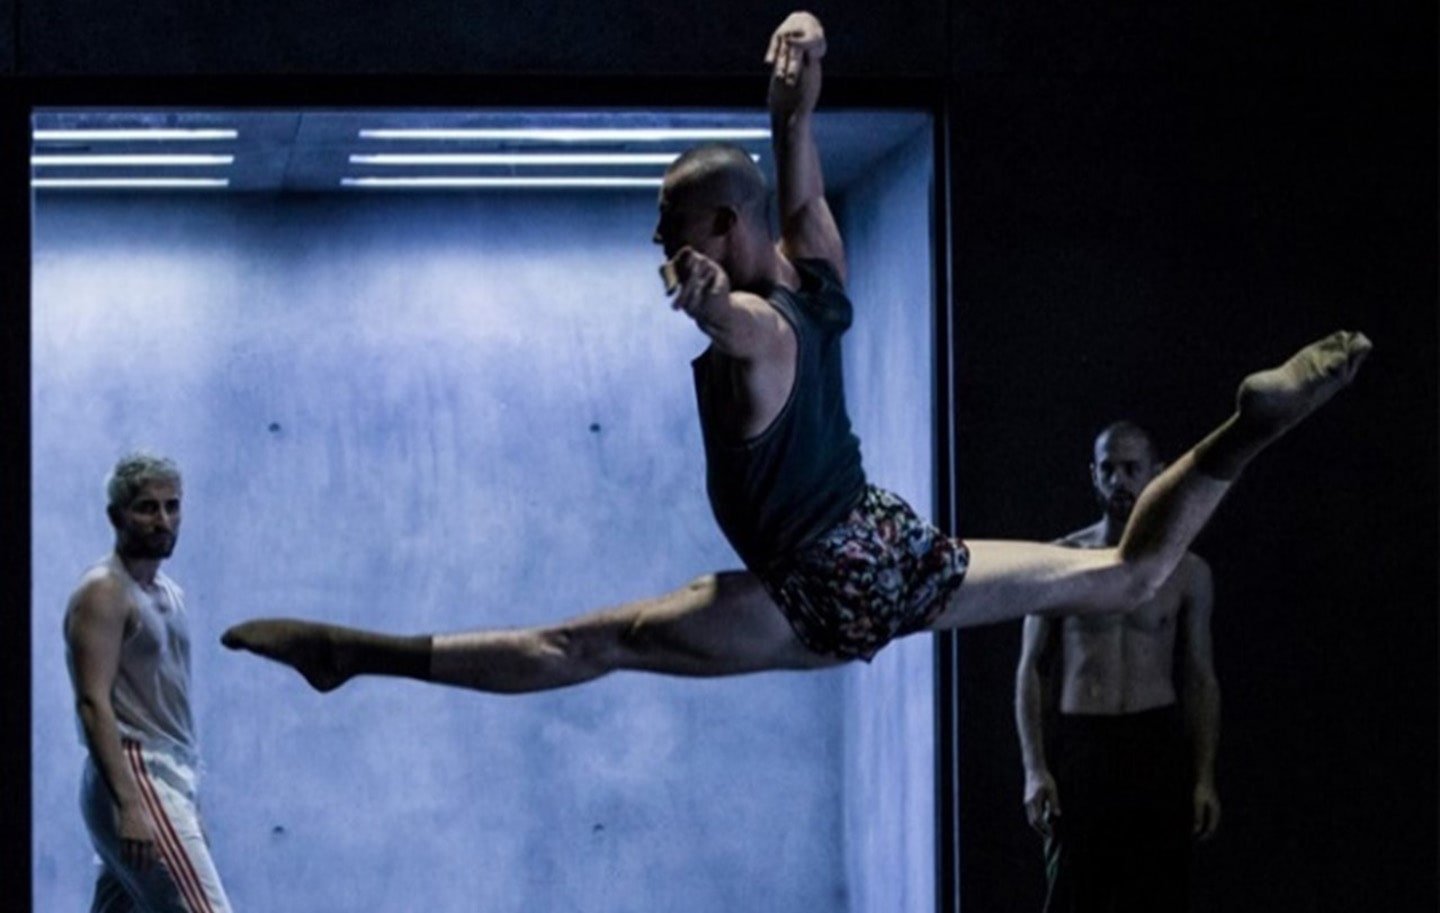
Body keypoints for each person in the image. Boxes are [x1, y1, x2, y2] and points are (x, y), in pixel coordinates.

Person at [221, 12, 1370, 705]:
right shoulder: (816, 269)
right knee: (1125, 574)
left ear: (720, 235)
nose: (661, 251)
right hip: (893, 539)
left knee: (583, 643)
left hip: (821, 584)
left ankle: (356, 654)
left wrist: (705, 304)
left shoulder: (761, 327)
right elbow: (792, 147)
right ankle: (1248, 427)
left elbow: (738, 324)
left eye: (673, 233)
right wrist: (802, 60)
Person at [1016, 422, 1220, 913]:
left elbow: (1200, 677)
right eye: (1107, 468)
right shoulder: (1060, 562)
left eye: (1131, 469)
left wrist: (1204, 777)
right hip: (1084, 748)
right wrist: (1034, 768)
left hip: (1156, 747)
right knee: (1073, 897)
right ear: (1093, 475)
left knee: (1158, 897)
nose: (1119, 480)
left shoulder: (1188, 572)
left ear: (1158, 473)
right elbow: (1030, 670)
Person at [64, 452, 233, 913]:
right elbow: (93, 703)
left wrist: (186, 799)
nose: (163, 520)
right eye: (147, 507)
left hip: (169, 776)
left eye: (172, 506)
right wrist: (133, 804)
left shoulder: (169, 593)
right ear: (116, 515)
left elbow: (169, 706)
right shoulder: (104, 592)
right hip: (136, 771)